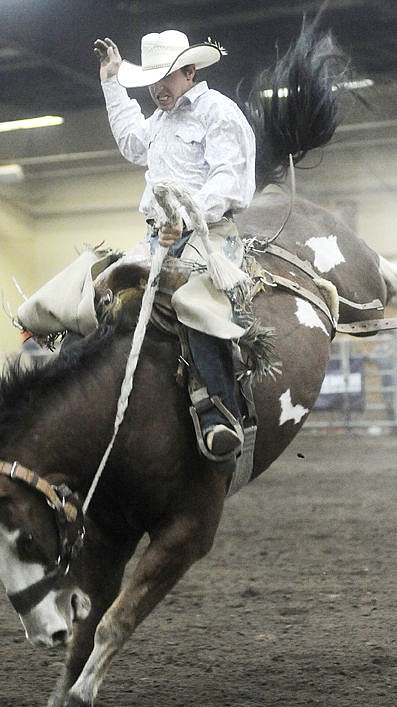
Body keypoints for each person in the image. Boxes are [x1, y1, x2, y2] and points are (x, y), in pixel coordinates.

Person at [93, 30, 256, 459]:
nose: (157, 88)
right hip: (157, 237)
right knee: (103, 286)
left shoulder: (218, 112)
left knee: (195, 300)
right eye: (152, 79)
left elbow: (229, 179)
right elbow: (132, 144)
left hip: (208, 234)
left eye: (165, 78)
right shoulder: (160, 121)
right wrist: (112, 81)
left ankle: (219, 412)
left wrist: (184, 215)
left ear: (190, 71)